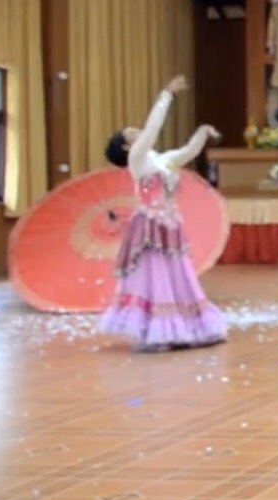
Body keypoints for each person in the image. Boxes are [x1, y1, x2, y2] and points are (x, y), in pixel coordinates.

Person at [97, 75, 228, 352]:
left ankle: (184, 326)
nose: (136, 131)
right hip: (149, 226)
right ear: (126, 146)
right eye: (130, 133)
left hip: (169, 224)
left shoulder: (160, 160)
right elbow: (152, 129)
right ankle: (155, 330)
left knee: (175, 274)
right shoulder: (138, 159)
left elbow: (187, 152)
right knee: (155, 275)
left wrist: (202, 132)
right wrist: (166, 95)